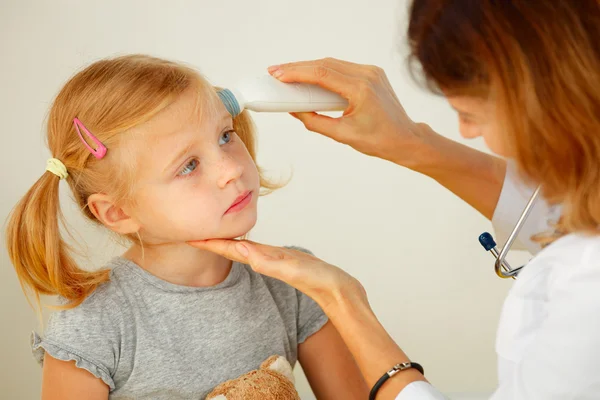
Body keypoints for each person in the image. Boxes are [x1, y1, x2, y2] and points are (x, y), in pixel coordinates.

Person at [190, 1, 600, 399]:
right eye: (187, 164)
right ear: (121, 211)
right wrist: (412, 142)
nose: (467, 131)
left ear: (559, 91)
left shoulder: (588, 284)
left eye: (476, 113)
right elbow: (556, 207)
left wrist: (340, 296)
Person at [5, 54, 368, 399]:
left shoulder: (293, 284)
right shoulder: (94, 323)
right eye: (189, 165)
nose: (232, 169)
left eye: (225, 136)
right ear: (117, 212)